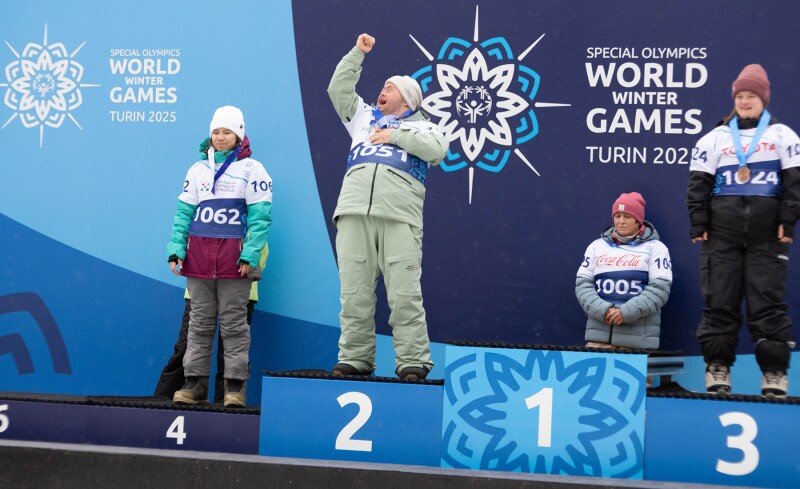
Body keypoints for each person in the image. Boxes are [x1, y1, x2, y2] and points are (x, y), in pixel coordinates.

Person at [327, 33, 448, 380]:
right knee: (354, 295)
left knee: (405, 296)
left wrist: (394, 135)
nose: (382, 91)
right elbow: (338, 90)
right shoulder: (363, 118)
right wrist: (356, 54)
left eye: (390, 88)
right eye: (382, 86)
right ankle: (355, 359)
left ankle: (412, 361)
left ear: (408, 98)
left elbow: (438, 150)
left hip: (398, 219)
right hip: (353, 215)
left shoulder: (425, 128)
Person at [687, 64, 799, 397]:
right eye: (740, 96)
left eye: (752, 95)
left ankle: (774, 373)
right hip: (722, 238)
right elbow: (698, 185)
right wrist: (699, 222)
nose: (746, 101)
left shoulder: (784, 136)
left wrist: (788, 220)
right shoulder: (715, 138)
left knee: (768, 306)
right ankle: (717, 368)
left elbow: (795, 184)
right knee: (720, 303)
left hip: (767, 238)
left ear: (764, 99)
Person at [166, 106, 272, 406]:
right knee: (198, 325)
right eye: (216, 132)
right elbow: (183, 215)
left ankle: (234, 388)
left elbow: (260, 219)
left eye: (227, 132)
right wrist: (176, 249)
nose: (220, 137)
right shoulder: (198, 170)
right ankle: (194, 384)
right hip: (199, 260)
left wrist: (249, 255)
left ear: (239, 135)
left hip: (234, 262)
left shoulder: (253, 169)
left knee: (235, 327)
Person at [153, 245, 267, 404]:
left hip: (239, 285)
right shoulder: (196, 220)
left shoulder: (247, 220)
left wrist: (244, 265)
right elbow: (185, 228)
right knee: (186, 347)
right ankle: (159, 406)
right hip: (201, 284)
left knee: (228, 353)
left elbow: (258, 239)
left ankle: (223, 415)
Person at [576, 192, 672, 350]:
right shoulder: (596, 246)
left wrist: (626, 312)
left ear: (638, 220)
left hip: (637, 342)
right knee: (597, 375)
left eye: (627, 216)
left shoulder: (656, 248)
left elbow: (659, 291)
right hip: (599, 338)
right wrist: (602, 310)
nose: (620, 221)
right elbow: (582, 285)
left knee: (635, 376)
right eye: (617, 216)